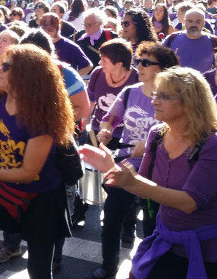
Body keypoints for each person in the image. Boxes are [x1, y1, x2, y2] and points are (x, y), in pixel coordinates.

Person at [81, 66, 217, 279]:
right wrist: (110, 168)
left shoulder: (212, 143)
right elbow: (144, 187)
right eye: (155, 94)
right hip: (163, 243)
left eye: (163, 96)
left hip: (204, 254)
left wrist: (132, 182)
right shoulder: (158, 134)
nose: (154, 101)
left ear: (189, 101)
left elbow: (189, 202)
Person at [0, 44, 74, 279]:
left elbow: (28, 172)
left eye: (6, 66)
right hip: (4, 189)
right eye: (0, 64)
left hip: (40, 197)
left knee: (38, 270)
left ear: (26, 74)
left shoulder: (42, 117)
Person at [86, 43, 179, 279]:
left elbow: (181, 133)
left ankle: (149, 269)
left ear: (163, 68)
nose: (139, 66)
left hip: (157, 172)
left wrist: (149, 146)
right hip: (126, 166)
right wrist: (106, 131)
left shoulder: (173, 98)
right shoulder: (130, 92)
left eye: (146, 63)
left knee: (151, 226)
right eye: (139, 61)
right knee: (111, 220)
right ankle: (109, 267)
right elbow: (110, 119)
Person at [164, 8, 217, 73]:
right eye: (190, 21)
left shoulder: (214, 42)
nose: (194, 25)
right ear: (184, 22)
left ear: (204, 23)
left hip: (204, 82)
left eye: (198, 21)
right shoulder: (171, 39)